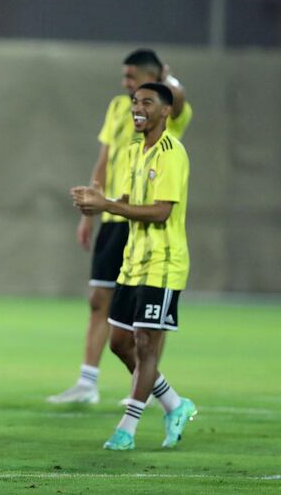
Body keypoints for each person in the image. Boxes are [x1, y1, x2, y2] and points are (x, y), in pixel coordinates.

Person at [48, 49, 192, 405]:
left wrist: (167, 78)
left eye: (133, 78)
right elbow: (103, 161)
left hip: (145, 219)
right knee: (100, 299)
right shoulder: (119, 107)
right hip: (113, 216)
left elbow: (180, 98)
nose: (126, 86)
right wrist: (90, 212)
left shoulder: (165, 108)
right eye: (126, 80)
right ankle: (87, 383)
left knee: (149, 317)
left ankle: (144, 387)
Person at [71, 82, 196, 450]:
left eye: (146, 102)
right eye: (134, 102)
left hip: (164, 264)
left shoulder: (172, 153)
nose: (137, 108)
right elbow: (126, 200)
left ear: (165, 111)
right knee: (120, 343)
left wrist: (108, 207)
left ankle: (127, 428)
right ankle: (174, 403)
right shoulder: (131, 151)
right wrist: (100, 202)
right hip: (133, 263)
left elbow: (161, 211)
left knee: (144, 343)